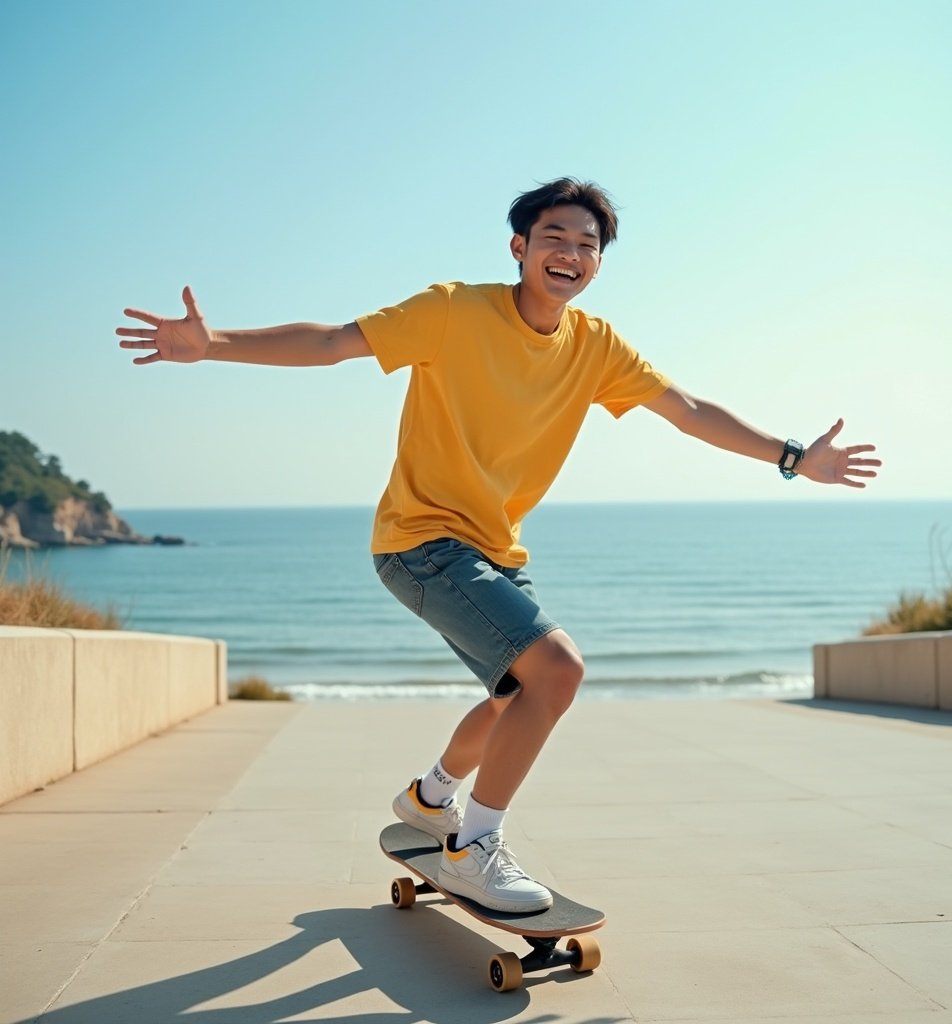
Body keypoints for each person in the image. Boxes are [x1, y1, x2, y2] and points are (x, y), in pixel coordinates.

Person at [117, 177, 881, 913]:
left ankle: (430, 798)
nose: (571, 253)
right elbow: (333, 341)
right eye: (555, 236)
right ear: (519, 247)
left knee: (516, 695)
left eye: (588, 243)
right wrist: (212, 343)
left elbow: (685, 410)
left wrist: (791, 456)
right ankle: (473, 847)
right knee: (559, 670)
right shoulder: (453, 310)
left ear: (597, 263)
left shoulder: (596, 346)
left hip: (494, 553)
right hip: (419, 541)